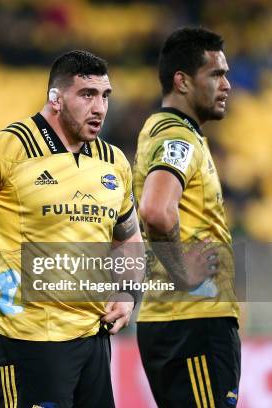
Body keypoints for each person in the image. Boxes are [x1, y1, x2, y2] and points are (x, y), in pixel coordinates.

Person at [0, 51, 145, 408]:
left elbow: (128, 237)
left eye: (105, 96)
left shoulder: (113, 161)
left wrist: (127, 294)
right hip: (25, 346)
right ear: (56, 99)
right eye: (87, 95)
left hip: (93, 344)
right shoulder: (6, 149)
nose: (99, 108)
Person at [134, 27, 240, 408]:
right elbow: (156, 210)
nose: (226, 85)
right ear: (181, 81)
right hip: (192, 321)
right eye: (215, 74)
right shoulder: (176, 138)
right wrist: (183, 273)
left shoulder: (172, 133)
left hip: (183, 322)